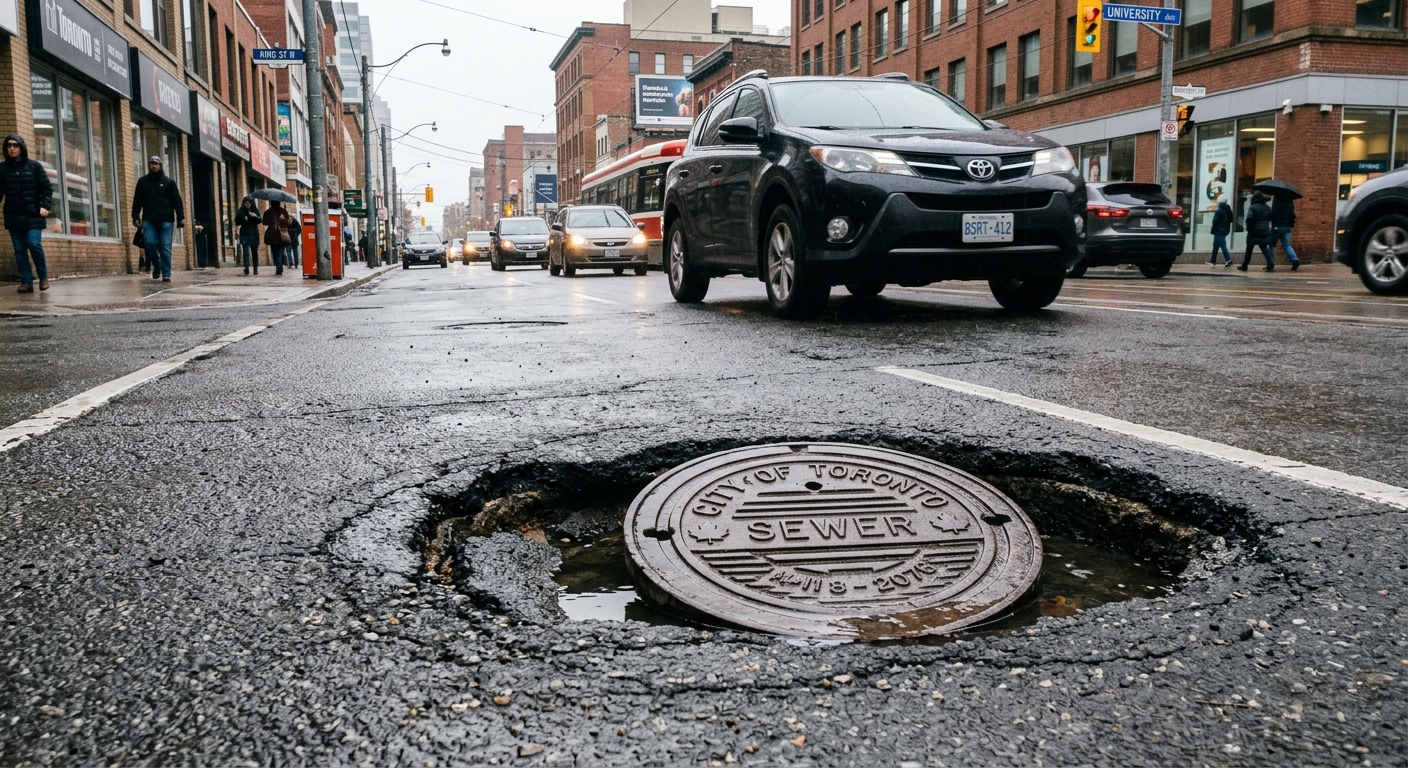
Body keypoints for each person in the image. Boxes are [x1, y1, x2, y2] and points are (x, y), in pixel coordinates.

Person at [0, 134, 53, 293]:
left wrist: (45, 205)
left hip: (33, 215)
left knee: (33, 243)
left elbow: (47, 188)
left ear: (21, 148)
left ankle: (43, 277)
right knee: (19, 250)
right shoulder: (2, 169)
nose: (12, 148)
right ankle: (26, 282)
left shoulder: (34, 166)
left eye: (15, 146)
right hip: (13, 215)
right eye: (9, 146)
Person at [131, 156, 184, 282]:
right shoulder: (142, 182)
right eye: (151, 164)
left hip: (166, 220)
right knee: (149, 243)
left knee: (165, 247)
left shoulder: (169, 182)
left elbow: (177, 201)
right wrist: (135, 216)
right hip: (149, 220)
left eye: (156, 164)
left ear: (160, 166)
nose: (153, 166)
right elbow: (137, 200)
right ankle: (157, 264)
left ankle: (166, 274)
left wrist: (181, 217)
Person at [1238, 191, 1274, 272]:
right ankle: (1270, 263)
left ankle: (1245, 265)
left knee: (1249, 249)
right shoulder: (1267, 207)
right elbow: (1270, 218)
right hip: (1264, 230)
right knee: (1264, 248)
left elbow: (1249, 218)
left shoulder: (1253, 207)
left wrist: (1248, 227)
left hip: (1253, 231)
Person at [1269, 195, 1301, 271]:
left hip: (1277, 226)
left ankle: (1270, 262)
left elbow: (1274, 213)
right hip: (1287, 227)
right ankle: (1294, 259)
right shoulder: (1290, 202)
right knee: (1286, 245)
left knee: (1272, 244)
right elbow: (1292, 215)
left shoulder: (1277, 201)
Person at [262, 201, 292, 276]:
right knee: (280, 251)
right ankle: (279, 267)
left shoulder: (268, 212)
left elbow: (264, 222)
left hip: (272, 234)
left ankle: (278, 267)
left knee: (275, 252)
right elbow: (288, 223)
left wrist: (272, 222)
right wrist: (282, 220)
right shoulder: (283, 211)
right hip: (280, 234)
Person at [235, 197, 261, 275]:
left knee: (254, 251)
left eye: (249, 203)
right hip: (245, 233)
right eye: (246, 203)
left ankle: (255, 268)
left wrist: (255, 216)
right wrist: (244, 219)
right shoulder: (241, 211)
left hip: (253, 233)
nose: (247, 205)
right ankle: (246, 267)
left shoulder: (255, 210)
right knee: (245, 251)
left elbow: (260, 220)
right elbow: (237, 221)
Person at [1207, 199, 1233, 267]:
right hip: (1225, 230)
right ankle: (1213, 261)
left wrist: (1213, 230)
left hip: (1218, 231)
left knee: (1222, 245)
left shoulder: (1219, 211)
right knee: (1216, 246)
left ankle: (1228, 259)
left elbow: (1215, 221)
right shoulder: (1228, 210)